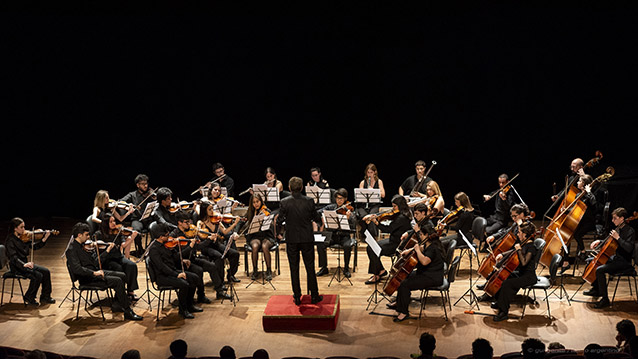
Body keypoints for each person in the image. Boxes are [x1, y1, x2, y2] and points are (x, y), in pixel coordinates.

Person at [65, 222, 142, 320]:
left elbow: (95, 262)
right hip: (88, 277)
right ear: (79, 235)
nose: (88, 237)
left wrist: (106, 252)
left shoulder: (83, 246)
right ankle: (127, 311)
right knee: (117, 281)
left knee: (122, 275)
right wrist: (94, 273)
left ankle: (118, 303)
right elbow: (77, 269)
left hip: (95, 272)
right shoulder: (71, 250)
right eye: (86, 235)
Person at [276, 176, 323, 305]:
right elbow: (316, 217)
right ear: (302, 188)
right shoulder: (309, 201)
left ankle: (297, 296)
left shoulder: (284, 202)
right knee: (310, 267)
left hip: (291, 239)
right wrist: (318, 222)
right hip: (307, 238)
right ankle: (314, 295)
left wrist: (278, 234)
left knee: (294, 268)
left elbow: (279, 220)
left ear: (289, 188)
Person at [389, 222, 445, 322]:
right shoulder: (429, 244)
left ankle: (403, 312)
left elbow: (424, 261)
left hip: (432, 278)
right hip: (426, 274)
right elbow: (421, 247)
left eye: (421, 234)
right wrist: (410, 250)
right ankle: (400, 303)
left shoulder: (433, 248)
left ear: (427, 235)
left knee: (404, 284)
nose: (420, 236)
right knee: (403, 277)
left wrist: (417, 251)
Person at [584, 207, 636, 308]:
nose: (613, 220)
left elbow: (629, 248)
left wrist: (618, 238)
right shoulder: (618, 229)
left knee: (599, 270)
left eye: (615, 218)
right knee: (590, 260)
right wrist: (599, 241)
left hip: (624, 263)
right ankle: (597, 289)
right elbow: (609, 242)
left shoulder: (630, 231)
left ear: (622, 218)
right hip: (615, 259)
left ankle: (605, 299)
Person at [148, 222, 201, 319]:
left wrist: (184, 256)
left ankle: (189, 305)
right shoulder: (154, 249)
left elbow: (175, 257)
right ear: (160, 236)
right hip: (162, 276)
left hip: (172, 271)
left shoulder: (167, 245)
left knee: (194, 278)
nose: (169, 237)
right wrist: (176, 275)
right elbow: (162, 267)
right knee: (184, 284)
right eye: (166, 235)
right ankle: (183, 310)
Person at [169, 210, 226, 301]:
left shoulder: (190, 232)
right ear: (179, 223)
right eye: (186, 222)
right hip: (182, 263)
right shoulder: (174, 236)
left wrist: (209, 239)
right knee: (198, 270)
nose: (189, 224)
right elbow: (177, 256)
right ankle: (200, 295)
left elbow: (198, 246)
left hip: (193, 259)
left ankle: (219, 291)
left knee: (212, 266)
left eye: (189, 221)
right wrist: (190, 247)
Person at [491, 220, 539, 322]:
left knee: (507, 284)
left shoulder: (532, 247)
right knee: (504, 277)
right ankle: (500, 302)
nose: (518, 234)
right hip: (522, 274)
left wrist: (519, 250)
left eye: (520, 232)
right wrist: (502, 254)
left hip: (529, 277)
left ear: (525, 234)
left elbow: (524, 262)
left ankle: (504, 313)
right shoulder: (524, 243)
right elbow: (514, 251)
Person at [4, 217, 55, 306]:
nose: (24, 229)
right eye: (21, 227)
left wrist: (44, 238)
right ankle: (29, 297)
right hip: (17, 266)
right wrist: (24, 264)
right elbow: (13, 258)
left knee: (46, 271)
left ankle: (45, 296)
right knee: (37, 275)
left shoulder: (24, 237)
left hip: (26, 265)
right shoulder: (10, 241)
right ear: (15, 229)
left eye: (24, 227)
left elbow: (34, 247)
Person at [364, 195, 412, 285]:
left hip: (397, 245)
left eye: (394, 206)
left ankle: (376, 274)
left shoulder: (401, 218)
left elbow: (388, 229)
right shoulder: (402, 214)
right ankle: (381, 270)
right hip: (393, 240)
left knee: (372, 249)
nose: (393, 209)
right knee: (371, 247)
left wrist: (376, 222)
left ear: (400, 205)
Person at [94, 213, 140, 302]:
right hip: (107, 259)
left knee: (132, 265)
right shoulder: (99, 234)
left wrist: (132, 238)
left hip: (118, 256)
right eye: (111, 221)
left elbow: (123, 245)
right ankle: (119, 293)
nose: (114, 223)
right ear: (105, 223)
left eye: (114, 220)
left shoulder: (118, 232)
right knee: (118, 268)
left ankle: (130, 291)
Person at [197, 200, 241, 283]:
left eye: (212, 209)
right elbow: (198, 232)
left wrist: (234, 224)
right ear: (204, 210)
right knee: (219, 257)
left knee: (235, 254)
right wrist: (208, 237)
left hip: (216, 245)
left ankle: (230, 275)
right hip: (207, 247)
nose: (212, 211)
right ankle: (220, 282)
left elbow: (225, 231)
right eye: (209, 209)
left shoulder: (216, 220)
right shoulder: (201, 223)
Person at [316, 188, 357, 278]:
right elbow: (318, 212)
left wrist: (349, 218)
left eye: (341, 198)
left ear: (345, 199)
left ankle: (346, 268)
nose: (339, 200)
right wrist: (323, 215)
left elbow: (354, 223)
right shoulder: (331, 207)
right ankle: (324, 267)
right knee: (321, 244)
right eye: (337, 198)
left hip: (344, 236)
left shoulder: (348, 209)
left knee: (347, 246)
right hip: (332, 235)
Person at [242, 193, 277, 281]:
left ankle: (268, 270)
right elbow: (242, 221)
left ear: (261, 201)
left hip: (267, 236)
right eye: (254, 202)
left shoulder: (266, 210)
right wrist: (236, 231)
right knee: (255, 246)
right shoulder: (250, 212)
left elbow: (271, 224)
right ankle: (255, 270)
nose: (256, 204)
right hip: (255, 236)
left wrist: (266, 219)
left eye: (257, 201)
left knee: (265, 246)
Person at [119, 173, 155, 255]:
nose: (146, 186)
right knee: (136, 229)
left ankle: (150, 248)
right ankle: (139, 249)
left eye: (146, 183)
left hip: (148, 219)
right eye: (143, 184)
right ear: (138, 185)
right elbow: (121, 201)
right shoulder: (132, 195)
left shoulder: (151, 194)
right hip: (137, 219)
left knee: (155, 227)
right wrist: (129, 205)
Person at [356, 163, 386, 242]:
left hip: (374, 205)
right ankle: (364, 235)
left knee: (371, 216)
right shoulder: (363, 182)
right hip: (363, 205)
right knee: (363, 216)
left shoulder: (379, 182)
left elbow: (383, 194)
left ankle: (372, 237)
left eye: (371, 172)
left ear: (375, 172)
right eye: (368, 172)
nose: (369, 174)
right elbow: (359, 196)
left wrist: (373, 190)